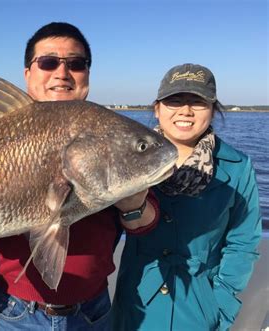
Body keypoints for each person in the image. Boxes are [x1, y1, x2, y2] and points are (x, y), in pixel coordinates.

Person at [0, 22, 161, 331]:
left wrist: (134, 202)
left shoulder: (104, 127)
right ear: (27, 74)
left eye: (76, 64)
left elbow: (147, 221)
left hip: (93, 312)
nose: (62, 72)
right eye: (48, 62)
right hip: (14, 312)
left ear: (87, 74)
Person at [110, 63, 262, 331]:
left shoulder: (238, 166)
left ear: (213, 110)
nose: (185, 111)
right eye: (174, 101)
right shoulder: (125, 159)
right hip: (136, 304)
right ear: (157, 108)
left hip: (199, 309)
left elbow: (243, 242)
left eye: (198, 102)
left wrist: (221, 304)